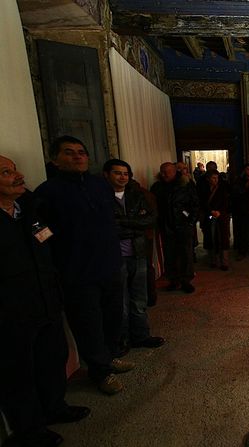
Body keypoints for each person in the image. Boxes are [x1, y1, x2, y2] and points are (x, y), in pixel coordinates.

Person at [0, 155, 90, 447]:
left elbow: (48, 243)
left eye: (15, 169)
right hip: (11, 312)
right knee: (19, 373)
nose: (18, 176)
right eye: (6, 172)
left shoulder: (29, 209)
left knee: (52, 358)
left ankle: (55, 407)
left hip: (47, 301)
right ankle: (29, 430)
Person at [35, 136, 135, 396]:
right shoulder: (47, 192)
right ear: (55, 159)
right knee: (88, 324)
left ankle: (110, 357)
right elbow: (41, 232)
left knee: (113, 317)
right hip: (78, 272)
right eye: (69, 152)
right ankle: (100, 371)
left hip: (110, 265)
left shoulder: (99, 185)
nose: (77, 156)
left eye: (81, 152)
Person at [103, 159, 165, 352]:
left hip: (138, 253)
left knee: (139, 299)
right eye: (117, 173)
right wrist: (134, 224)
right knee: (119, 302)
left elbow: (150, 219)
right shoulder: (101, 197)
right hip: (114, 257)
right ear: (107, 175)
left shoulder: (137, 195)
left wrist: (123, 222)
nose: (122, 177)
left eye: (125, 173)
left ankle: (141, 335)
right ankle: (121, 339)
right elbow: (105, 227)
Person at [150, 162, 199, 293]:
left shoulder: (185, 184)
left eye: (167, 172)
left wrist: (190, 221)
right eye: (162, 172)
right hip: (166, 226)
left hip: (183, 225)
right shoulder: (157, 187)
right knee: (170, 255)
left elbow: (194, 204)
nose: (164, 174)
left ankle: (186, 281)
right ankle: (173, 280)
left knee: (186, 254)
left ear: (174, 171)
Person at [202, 170, 231, 270]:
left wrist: (220, 212)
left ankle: (224, 262)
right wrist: (210, 211)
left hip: (221, 216)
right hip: (209, 216)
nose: (216, 180)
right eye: (213, 178)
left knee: (223, 239)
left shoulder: (222, 188)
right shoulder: (204, 189)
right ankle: (213, 260)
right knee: (211, 238)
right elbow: (202, 202)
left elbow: (226, 202)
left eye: (217, 178)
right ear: (208, 179)